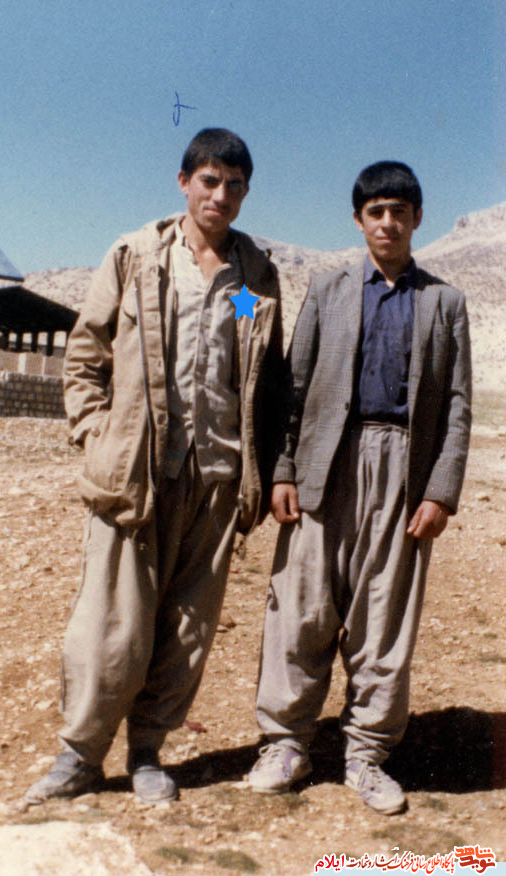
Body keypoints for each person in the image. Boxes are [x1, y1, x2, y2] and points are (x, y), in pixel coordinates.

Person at [25, 128, 282, 807]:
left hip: (217, 477)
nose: (220, 195)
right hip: (136, 472)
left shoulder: (253, 277)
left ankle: (147, 753)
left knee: (187, 626)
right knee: (111, 621)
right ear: (184, 182)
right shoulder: (137, 256)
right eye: (209, 181)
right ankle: (80, 755)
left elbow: (262, 367)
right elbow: (87, 352)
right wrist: (94, 435)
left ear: (245, 193)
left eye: (234, 185)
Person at [247, 161, 472, 815]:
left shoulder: (445, 303)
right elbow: (294, 384)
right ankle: (285, 743)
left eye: (400, 211)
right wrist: (283, 469)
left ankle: (367, 754)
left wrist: (440, 490)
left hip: (403, 468)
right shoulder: (329, 288)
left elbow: (457, 405)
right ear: (358, 220)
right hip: (326, 460)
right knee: (302, 606)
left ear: (417, 218)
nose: (388, 223)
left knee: (384, 613)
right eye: (376, 212)